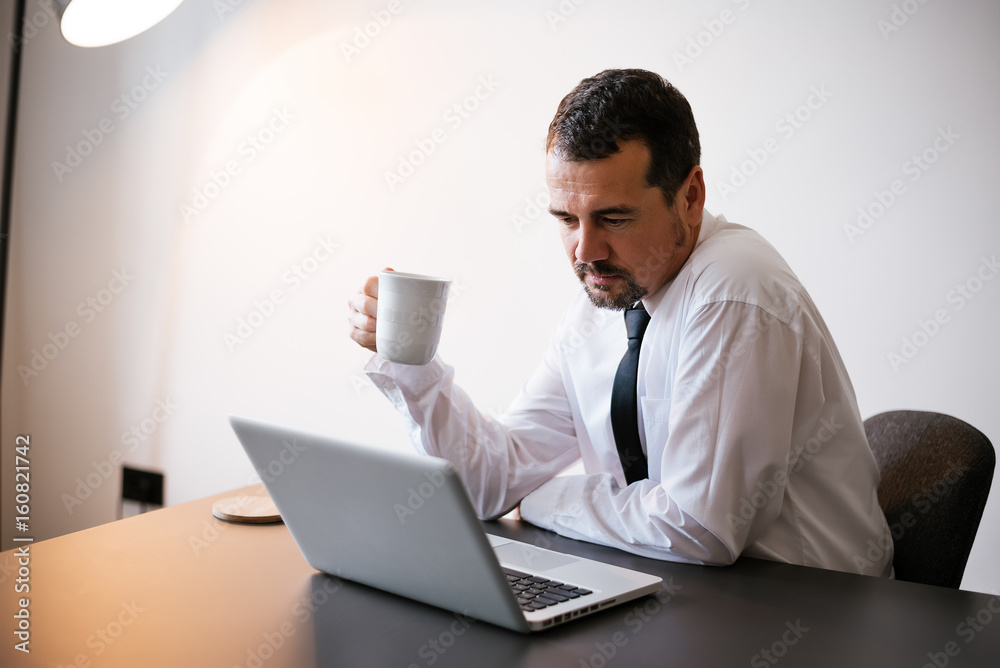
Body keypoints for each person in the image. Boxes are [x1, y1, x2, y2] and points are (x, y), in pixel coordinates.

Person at [347, 69, 893, 576]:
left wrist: (539, 498)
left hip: (806, 615)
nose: (585, 251)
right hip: (684, 591)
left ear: (691, 197)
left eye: (613, 218)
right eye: (566, 219)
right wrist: (411, 364)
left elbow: (697, 527)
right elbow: (491, 481)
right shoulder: (607, 302)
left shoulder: (734, 291)